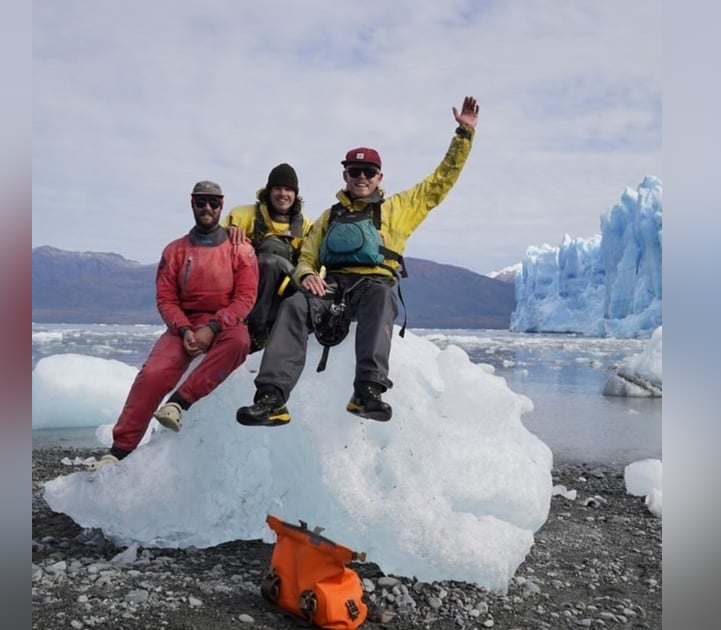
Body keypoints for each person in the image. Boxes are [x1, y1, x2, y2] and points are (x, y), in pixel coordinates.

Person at [235, 96, 480, 427]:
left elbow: (440, 181)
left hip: (373, 285)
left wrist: (463, 135)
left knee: (381, 298)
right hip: (332, 286)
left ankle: (367, 391)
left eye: (368, 171)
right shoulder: (328, 216)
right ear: (345, 175)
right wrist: (306, 275)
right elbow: (307, 256)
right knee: (295, 304)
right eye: (354, 171)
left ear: (379, 176)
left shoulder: (399, 209)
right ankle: (271, 399)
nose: (361, 177)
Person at [90, 181, 258, 470]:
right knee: (152, 375)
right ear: (192, 203)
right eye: (201, 202)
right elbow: (166, 299)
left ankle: (178, 403)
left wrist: (214, 328)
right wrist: (183, 329)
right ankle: (118, 451)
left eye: (213, 203)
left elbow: (245, 298)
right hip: (183, 325)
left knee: (239, 343)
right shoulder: (174, 250)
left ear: (222, 204)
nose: (207, 208)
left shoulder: (240, 249)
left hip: (224, 323)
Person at [223, 163, 313, 353]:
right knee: (267, 260)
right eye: (278, 188)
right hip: (249, 288)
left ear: (295, 194)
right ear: (268, 191)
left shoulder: (304, 225)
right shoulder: (242, 215)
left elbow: (312, 256)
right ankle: (256, 328)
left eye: (288, 189)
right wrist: (227, 232)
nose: (283, 194)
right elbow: (213, 239)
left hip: (286, 289)